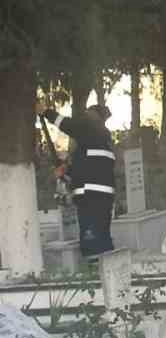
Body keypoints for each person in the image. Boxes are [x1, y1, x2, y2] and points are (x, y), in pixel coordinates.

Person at [40, 104, 116, 258]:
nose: (84, 117)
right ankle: (109, 268)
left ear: (94, 117)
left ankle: (94, 268)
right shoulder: (101, 138)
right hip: (102, 196)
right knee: (102, 238)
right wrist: (67, 170)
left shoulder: (91, 129)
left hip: (91, 196)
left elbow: (67, 124)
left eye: (87, 115)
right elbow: (89, 166)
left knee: (91, 241)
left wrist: (45, 112)